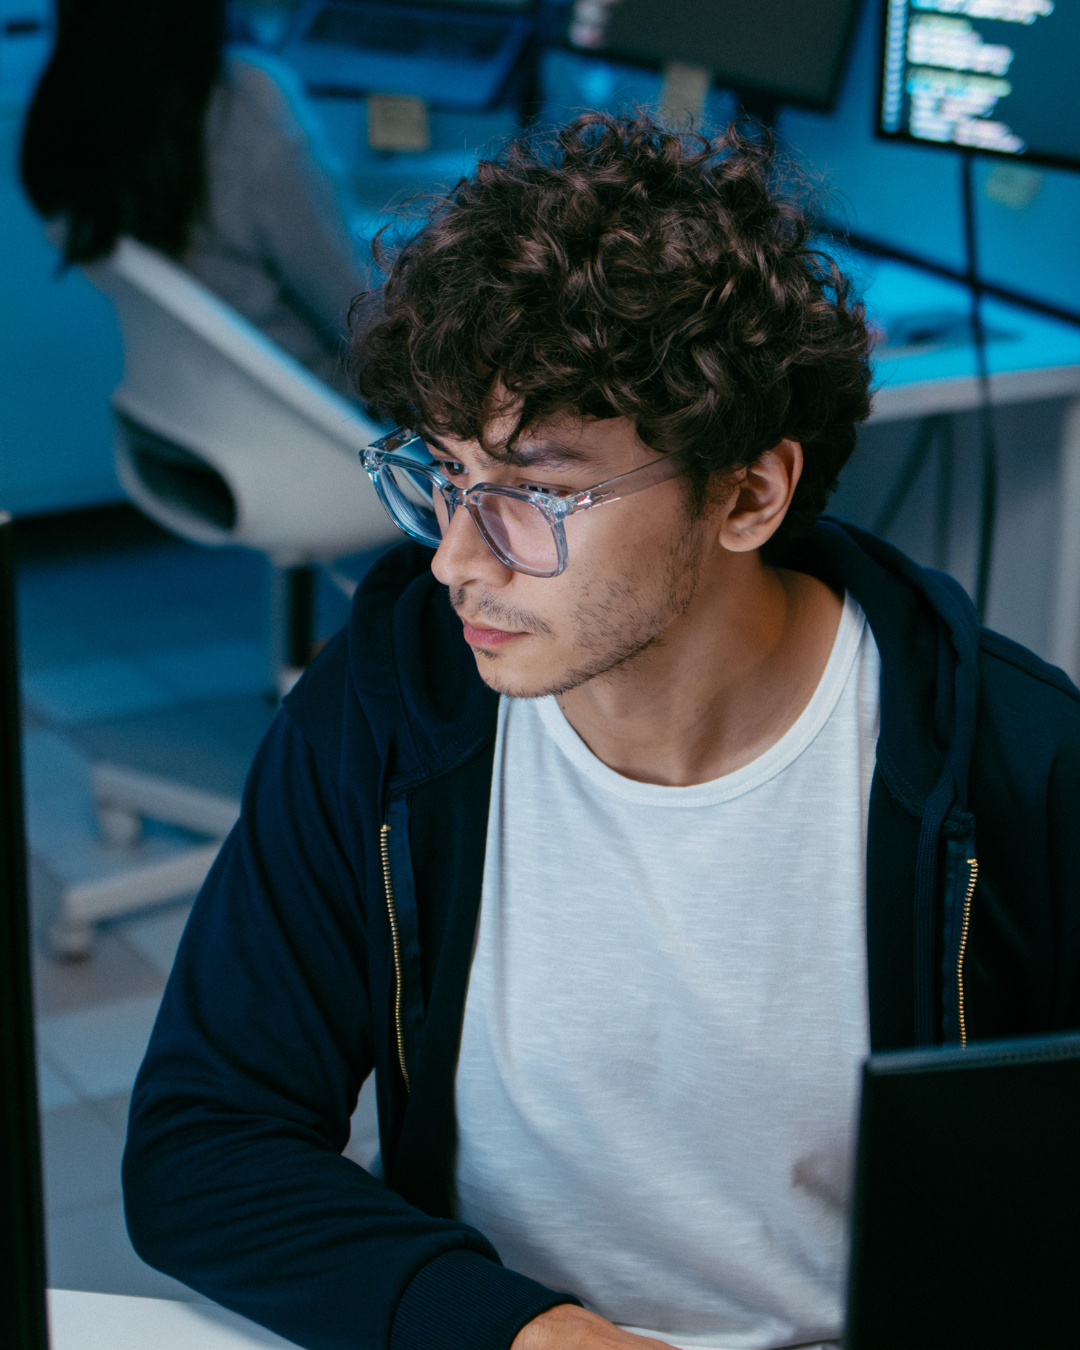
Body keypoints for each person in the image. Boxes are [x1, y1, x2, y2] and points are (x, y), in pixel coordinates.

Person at [122, 113, 1080, 1350]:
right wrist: (523, 1334)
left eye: (535, 492)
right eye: (446, 474)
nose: (459, 560)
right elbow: (202, 1143)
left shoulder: (1016, 766)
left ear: (749, 494)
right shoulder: (387, 708)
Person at [20, 0, 365, 391]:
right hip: (324, 406)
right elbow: (356, 312)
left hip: (200, 413)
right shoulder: (245, 101)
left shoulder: (69, 113)